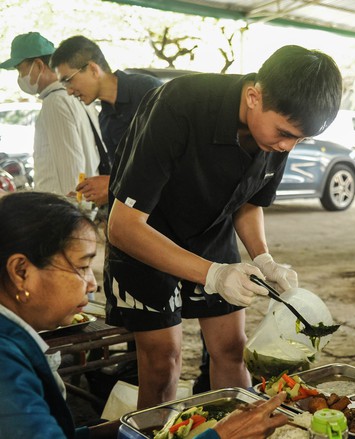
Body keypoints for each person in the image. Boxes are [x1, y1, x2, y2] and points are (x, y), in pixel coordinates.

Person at [103, 44, 342, 409]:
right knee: (163, 363)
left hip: (211, 234)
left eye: (299, 139)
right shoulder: (179, 104)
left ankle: (237, 430)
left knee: (232, 350)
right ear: (253, 96)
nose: (287, 146)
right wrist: (214, 275)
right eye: (284, 133)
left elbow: (247, 202)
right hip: (146, 241)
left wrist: (263, 258)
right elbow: (122, 227)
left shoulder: (277, 138)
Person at [0, 191, 290, 439]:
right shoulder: (5, 369)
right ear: (21, 272)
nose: (92, 283)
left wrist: (130, 428)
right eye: (82, 266)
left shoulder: (13, 343)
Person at [50, 35, 162, 206]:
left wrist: (111, 185)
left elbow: (169, 162)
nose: (69, 91)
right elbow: (122, 175)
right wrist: (94, 195)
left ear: (93, 69)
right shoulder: (105, 120)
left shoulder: (148, 91)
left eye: (68, 80)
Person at [0, 32, 103, 197]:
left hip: (63, 212)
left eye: (20, 70)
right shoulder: (78, 96)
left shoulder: (55, 102)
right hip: (80, 206)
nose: (20, 77)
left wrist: (75, 211)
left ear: (39, 65)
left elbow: (71, 167)